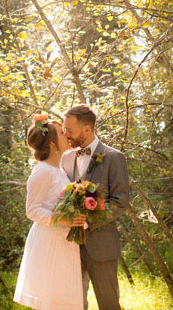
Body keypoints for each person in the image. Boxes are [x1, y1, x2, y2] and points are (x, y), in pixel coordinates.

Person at [61, 104, 130, 310]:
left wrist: (87, 222)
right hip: (69, 248)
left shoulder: (113, 157)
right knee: (73, 304)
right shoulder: (65, 159)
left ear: (87, 129)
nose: (66, 135)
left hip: (102, 246)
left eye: (70, 130)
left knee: (108, 304)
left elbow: (120, 202)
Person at [14, 116, 86, 310]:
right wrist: (61, 218)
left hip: (64, 241)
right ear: (53, 143)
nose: (67, 134)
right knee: (52, 301)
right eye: (62, 133)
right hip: (48, 242)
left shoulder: (60, 171)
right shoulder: (42, 171)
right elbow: (32, 210)